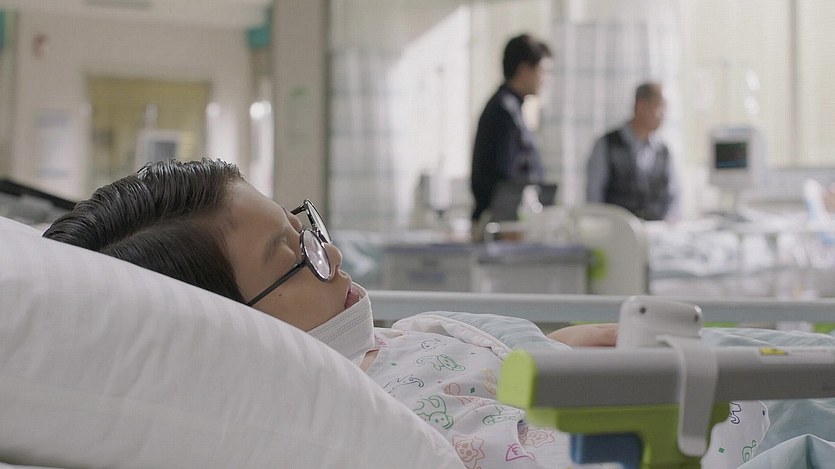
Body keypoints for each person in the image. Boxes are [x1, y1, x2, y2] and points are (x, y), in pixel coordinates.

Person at [44, 158, 617, 469]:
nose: (333, 256)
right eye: (295, 258)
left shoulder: (388, 341)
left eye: (305, 231)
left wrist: (546, 353)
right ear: (227, 328)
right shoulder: (355, 429)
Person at [470, 33, 552, 240]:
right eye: (542, 71)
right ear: (524, 69)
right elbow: (502, 177)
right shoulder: (503, 112)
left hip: (508, 221)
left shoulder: (512, 109)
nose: (544, 80)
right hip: (502, 225)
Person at [585, 82, 681, 222]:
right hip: (617, 231)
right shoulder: (606, 144)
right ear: (641, 106)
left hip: (659, 230)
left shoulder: (664, 151)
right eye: (660, 107)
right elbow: (594, 196)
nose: (663, 115)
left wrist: (671, 220)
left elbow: (674, 198)